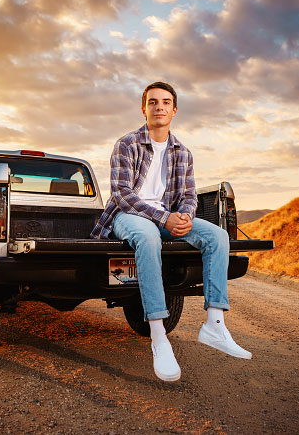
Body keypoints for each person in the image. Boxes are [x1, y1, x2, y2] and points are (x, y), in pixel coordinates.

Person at [91, 81, 252, 382]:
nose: (159, 107)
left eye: (166, 102)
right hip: (128, 216)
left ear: (174, 110)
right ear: (144, 109)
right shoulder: (126, 144)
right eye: (153, 102)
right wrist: (164, 218)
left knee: (217, 236)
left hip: (166, 218)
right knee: (148, 236)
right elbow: (122, 194)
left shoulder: (183, 153)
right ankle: (158, 335)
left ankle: (215, 325)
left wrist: (186, 218)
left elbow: (189, 197)